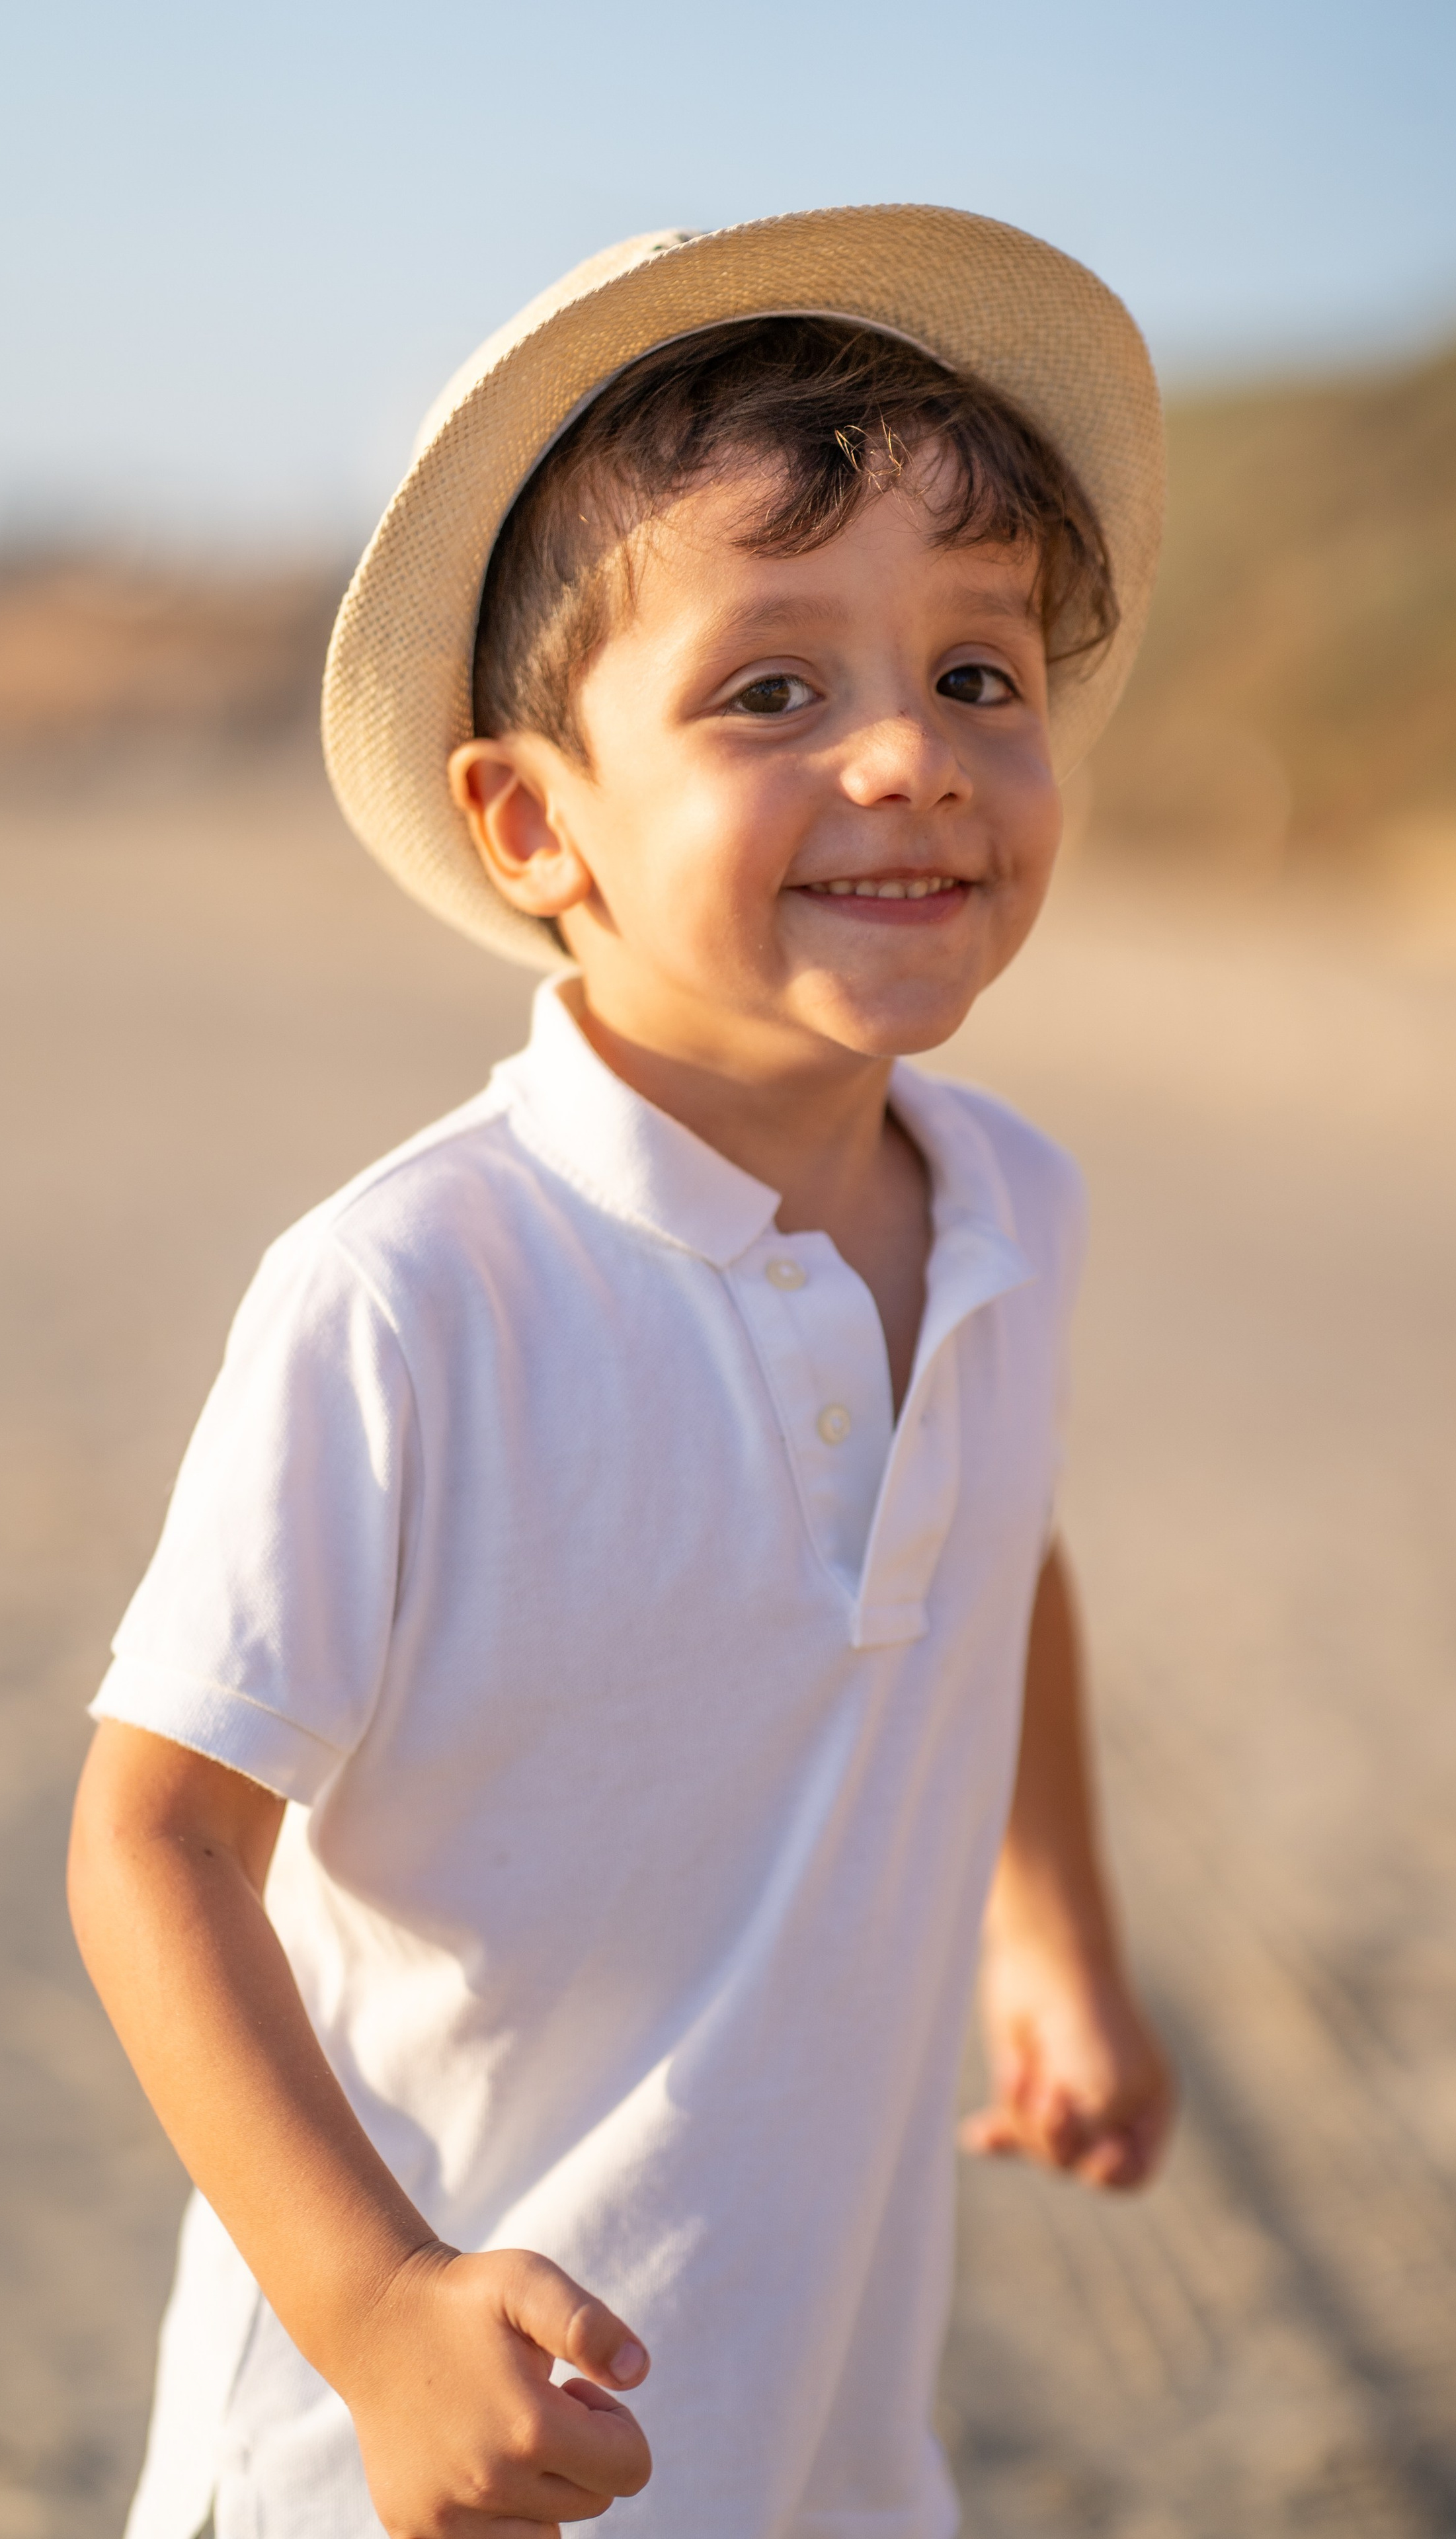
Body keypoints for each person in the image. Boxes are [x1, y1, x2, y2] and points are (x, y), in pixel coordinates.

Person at [68, 206, 1174, 2539]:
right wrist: (375, 2309)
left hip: (815, 2428)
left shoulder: (1016, 1209)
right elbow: (155, 1840)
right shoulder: (411, 1294)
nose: (912, 754)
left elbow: (995, 1542)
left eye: (978, 671)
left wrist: (1052, 1930)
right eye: (771, 693)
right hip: (427, 2440)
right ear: (533, 821)